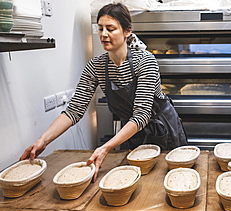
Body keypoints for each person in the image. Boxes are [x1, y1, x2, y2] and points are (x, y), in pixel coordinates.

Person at [20, 3, 188, 182]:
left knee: (171, 180)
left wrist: (105, 148)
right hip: (131, 134)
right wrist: (43, 140)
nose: (103, 34)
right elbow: (74, 110)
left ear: (127, 31)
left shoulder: (145, 61)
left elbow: (141, 114)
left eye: (111, 28)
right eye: (100, 28)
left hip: (163, 131)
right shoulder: (96, 66)